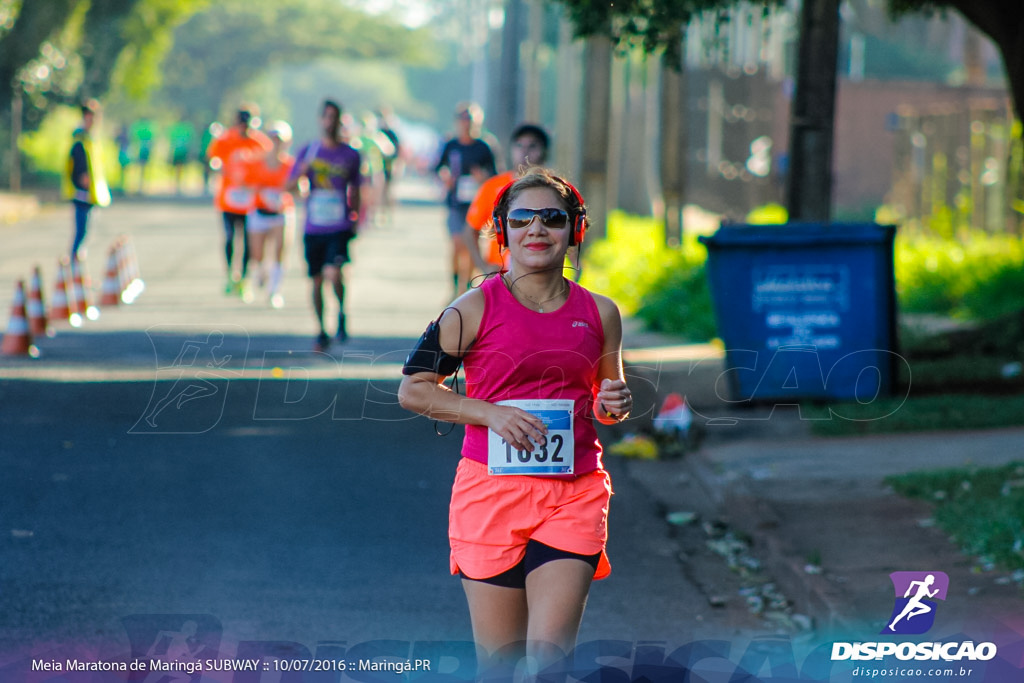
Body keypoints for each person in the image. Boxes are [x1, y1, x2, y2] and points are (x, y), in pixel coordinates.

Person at [398, 168, 633, 679]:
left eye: (552, 218)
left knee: (550, 663)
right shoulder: (472, 308)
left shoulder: (601, 313)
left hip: (574, 493)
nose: (537, 230)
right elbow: (414, 389)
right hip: (490, 495)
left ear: (575, 230)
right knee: (500, 667)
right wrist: (491, 413)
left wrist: (613, 400)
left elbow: (605, 404)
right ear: (502, 231)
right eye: (521, 219)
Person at [287, 99, 362, 351]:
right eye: (327, 117)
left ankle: (341, 311)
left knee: (334, 273)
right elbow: (288, 187)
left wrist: (355, 218)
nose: (331, 122)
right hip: (313, 227)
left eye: (335, 118)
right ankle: (321, 330)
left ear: (340, 122)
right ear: (321, 120)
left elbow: (357, 189)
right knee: (317, 280)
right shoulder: (308, 151)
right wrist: (301, 173)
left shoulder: (350, 155)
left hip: (338, 226)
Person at [464, 123, 550, 276]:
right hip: (501, 274)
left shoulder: (556, 190)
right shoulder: (493, 186)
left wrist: (576, 263)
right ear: (511, 150)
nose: (525, 152)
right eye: (519, 145)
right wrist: (483, 267)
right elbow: (470, 230)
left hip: (542, 276)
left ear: (544, 151)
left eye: (532, 146)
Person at [206, 106, 272, 297]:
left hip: (250, 200)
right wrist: (217, 167)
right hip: (228, 199)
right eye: (241, 124)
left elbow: (268, 164)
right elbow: (213, 159)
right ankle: (229, 276)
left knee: (248, 242)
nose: (245, 129)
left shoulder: (260, 142)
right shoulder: (226, 139)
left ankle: (243, 278)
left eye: (248, 124)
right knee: (229, 238)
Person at [434, 102, 497, 296]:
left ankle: (466, 289)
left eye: (470, 119)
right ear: (457, 122)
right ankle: (454, 284)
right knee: (457, 243)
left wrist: (482, 179)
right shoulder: (451, 145)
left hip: (476, 205)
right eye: (463, 119)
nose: (466, 123)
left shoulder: (485, 146)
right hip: (455, 202)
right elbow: (438, 168)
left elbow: (495, 175)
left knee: (470, 245)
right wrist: (445, 177)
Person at [245, 120, 296, 308]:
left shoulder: (290, 165)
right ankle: (261, 272)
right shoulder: (257, 162)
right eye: (273, 138)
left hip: (281, 212)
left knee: (280, 252)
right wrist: (262, 192)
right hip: (259, 211)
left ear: (287, 142)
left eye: (280, 139)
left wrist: (285, 194)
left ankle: (275, 291)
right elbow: (246, 184)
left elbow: (300, 188)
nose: (276, 143)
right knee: (257, 255)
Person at [64, 99, 111, 262]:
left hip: (92, 190)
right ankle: (74, 264)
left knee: (87, 231)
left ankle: (77, 265)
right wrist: (81, 177)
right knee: (81, 230)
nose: (93, 121)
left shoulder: (91, 137)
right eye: (90, 117)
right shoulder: (80, 137)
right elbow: (75, 159)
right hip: (81, 189)